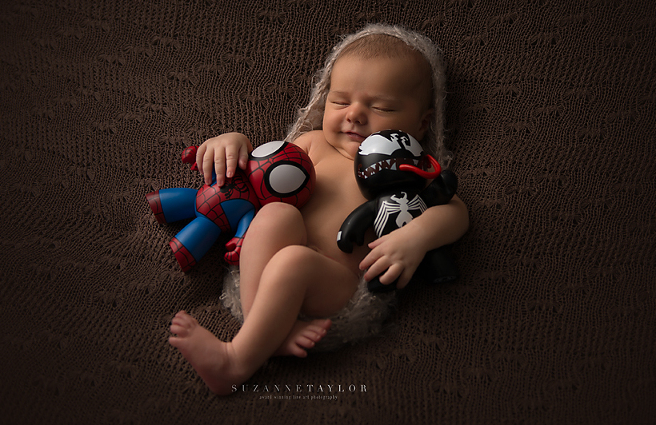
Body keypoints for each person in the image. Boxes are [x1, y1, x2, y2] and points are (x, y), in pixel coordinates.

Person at [168, 24, 469, 395]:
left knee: (293, 262)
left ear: (422, 124)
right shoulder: (311, 143)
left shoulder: (411, 166)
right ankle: (264, 327)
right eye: (340, 101)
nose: (355, 115)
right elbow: (260, 170)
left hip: (335, 280)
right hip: (270, 266)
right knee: (276, 215)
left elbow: (455, 212)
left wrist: (416, 237)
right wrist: (235, 142)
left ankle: (234, 362)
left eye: (382, 107)